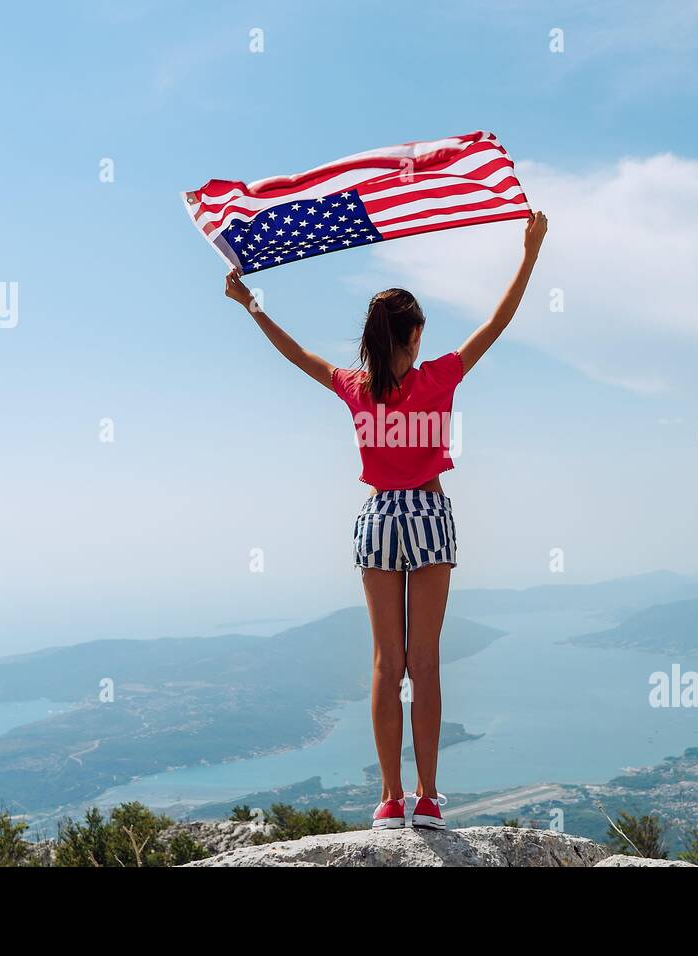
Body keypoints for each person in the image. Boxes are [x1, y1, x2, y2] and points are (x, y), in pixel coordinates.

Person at [223, 211, 548, 830]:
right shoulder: (438, 378)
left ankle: (390, 800)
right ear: (416, 334)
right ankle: (429, 798)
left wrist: (251, 305)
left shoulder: (355, 386)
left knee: (384, 662)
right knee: (424, 662)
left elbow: (299, 355)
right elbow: (498, 323)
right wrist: (529, 252)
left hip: (378, 521)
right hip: (427, 514)